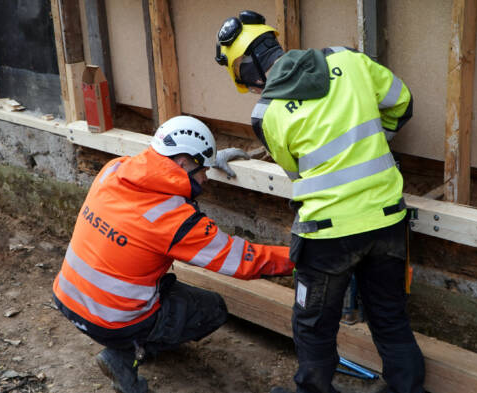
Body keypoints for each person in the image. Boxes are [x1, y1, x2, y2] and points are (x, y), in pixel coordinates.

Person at [215, 11, 424, 393]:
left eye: (244, 79)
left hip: (327, 236)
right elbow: (402, 103)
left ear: (248, 70)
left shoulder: (265, 114)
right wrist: (378, 142)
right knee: (391, 320)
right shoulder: (348, 59)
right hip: (387, 219)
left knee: (313, 326)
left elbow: (299, 174)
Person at [52, 115, 294, 393]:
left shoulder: (114, 169)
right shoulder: (173, 220)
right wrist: (299, 259)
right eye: (202, 169)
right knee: (212, 309)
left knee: (161, 284)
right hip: (109, 321)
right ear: (181, 163)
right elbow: (242, 260)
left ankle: (126, 344)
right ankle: (125, 354)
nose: (205, 178)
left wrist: (207, 160)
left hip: (68, 297)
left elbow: (160, 178)